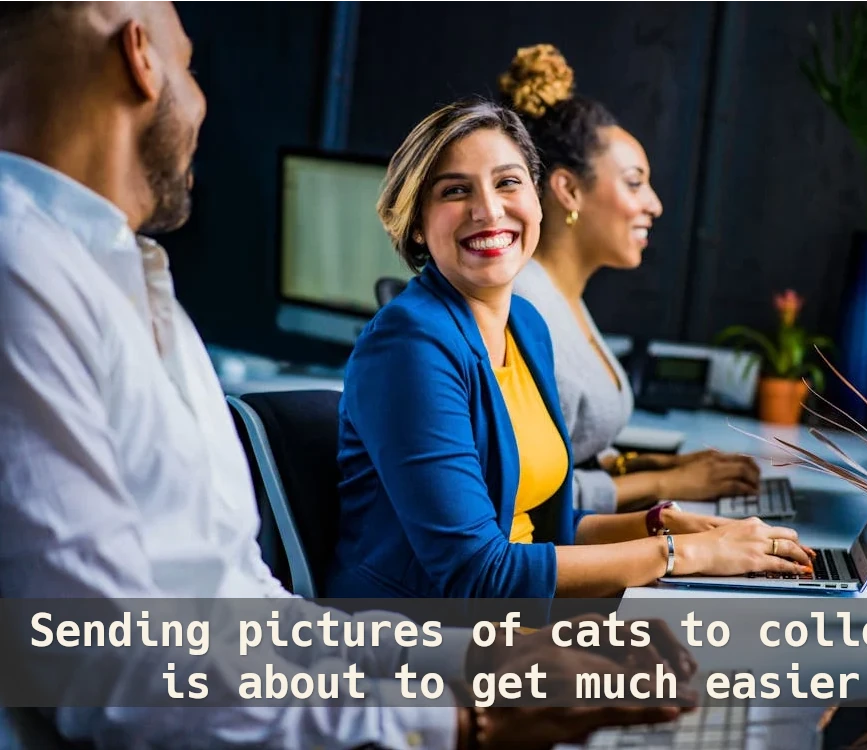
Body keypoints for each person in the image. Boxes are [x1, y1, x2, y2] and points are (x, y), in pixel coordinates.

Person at [0, 2, 694, 747]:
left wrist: (476, 657)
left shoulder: (123, 276)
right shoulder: (24, 272)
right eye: (191, 66)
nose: (201, 103)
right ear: (141, 57)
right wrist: (461, 719)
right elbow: (99, 666)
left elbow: (243, 611)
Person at [327, 99, 814, 602]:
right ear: (415, 225)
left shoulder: (526, 326)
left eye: (508, 182)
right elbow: (478, 573)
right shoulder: (409, 346)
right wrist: (682, 554)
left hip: (512, 622)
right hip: (411, 639)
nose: (489, 209)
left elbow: (543, 531)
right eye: (455, 191)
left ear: (538, 200)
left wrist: (660, 525)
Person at [503, 44, 764, 515]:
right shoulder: (525, 309)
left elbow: (572, 453)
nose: (654, 204)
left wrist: (653, 465)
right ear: (568, 189)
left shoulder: (563, 298)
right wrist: (666, 482)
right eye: (634, 182)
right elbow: (530, 497)